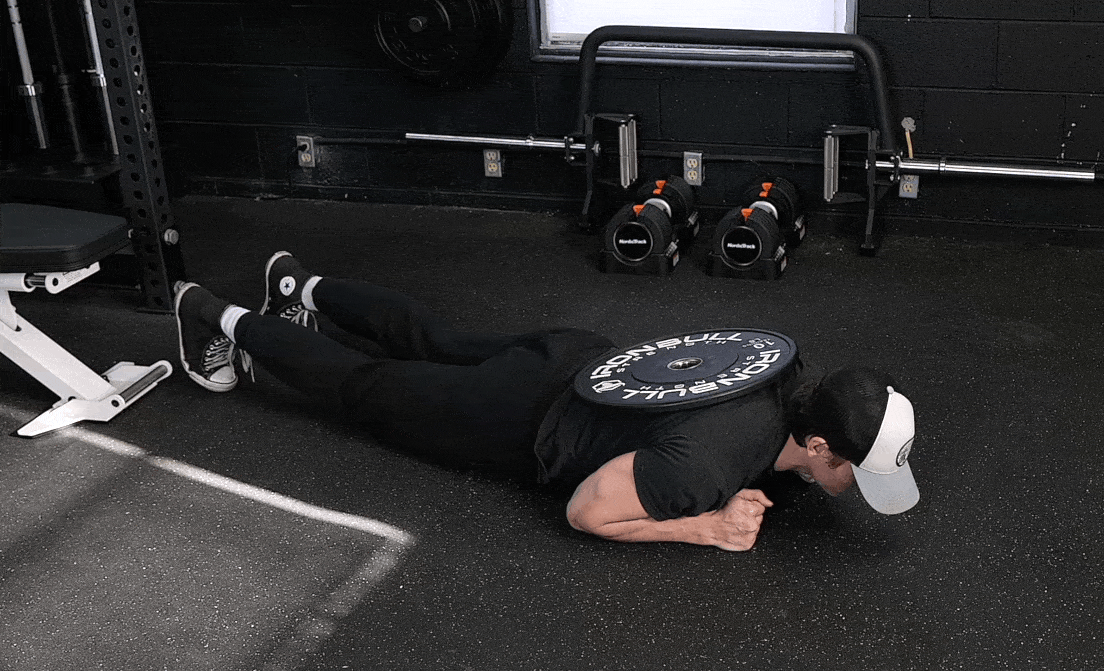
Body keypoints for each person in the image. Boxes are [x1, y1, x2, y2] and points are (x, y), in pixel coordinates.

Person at [173, 251, 919, 551]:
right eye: (854, 472)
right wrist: (703, 527)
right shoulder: (705, 469)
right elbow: (589, 511)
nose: (850, 490)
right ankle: (213, 315)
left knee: (434, 336)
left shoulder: (788, 374)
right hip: (522, 418)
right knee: (366, 388)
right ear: (820, 446)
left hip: (573, 356)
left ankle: (300, 288)